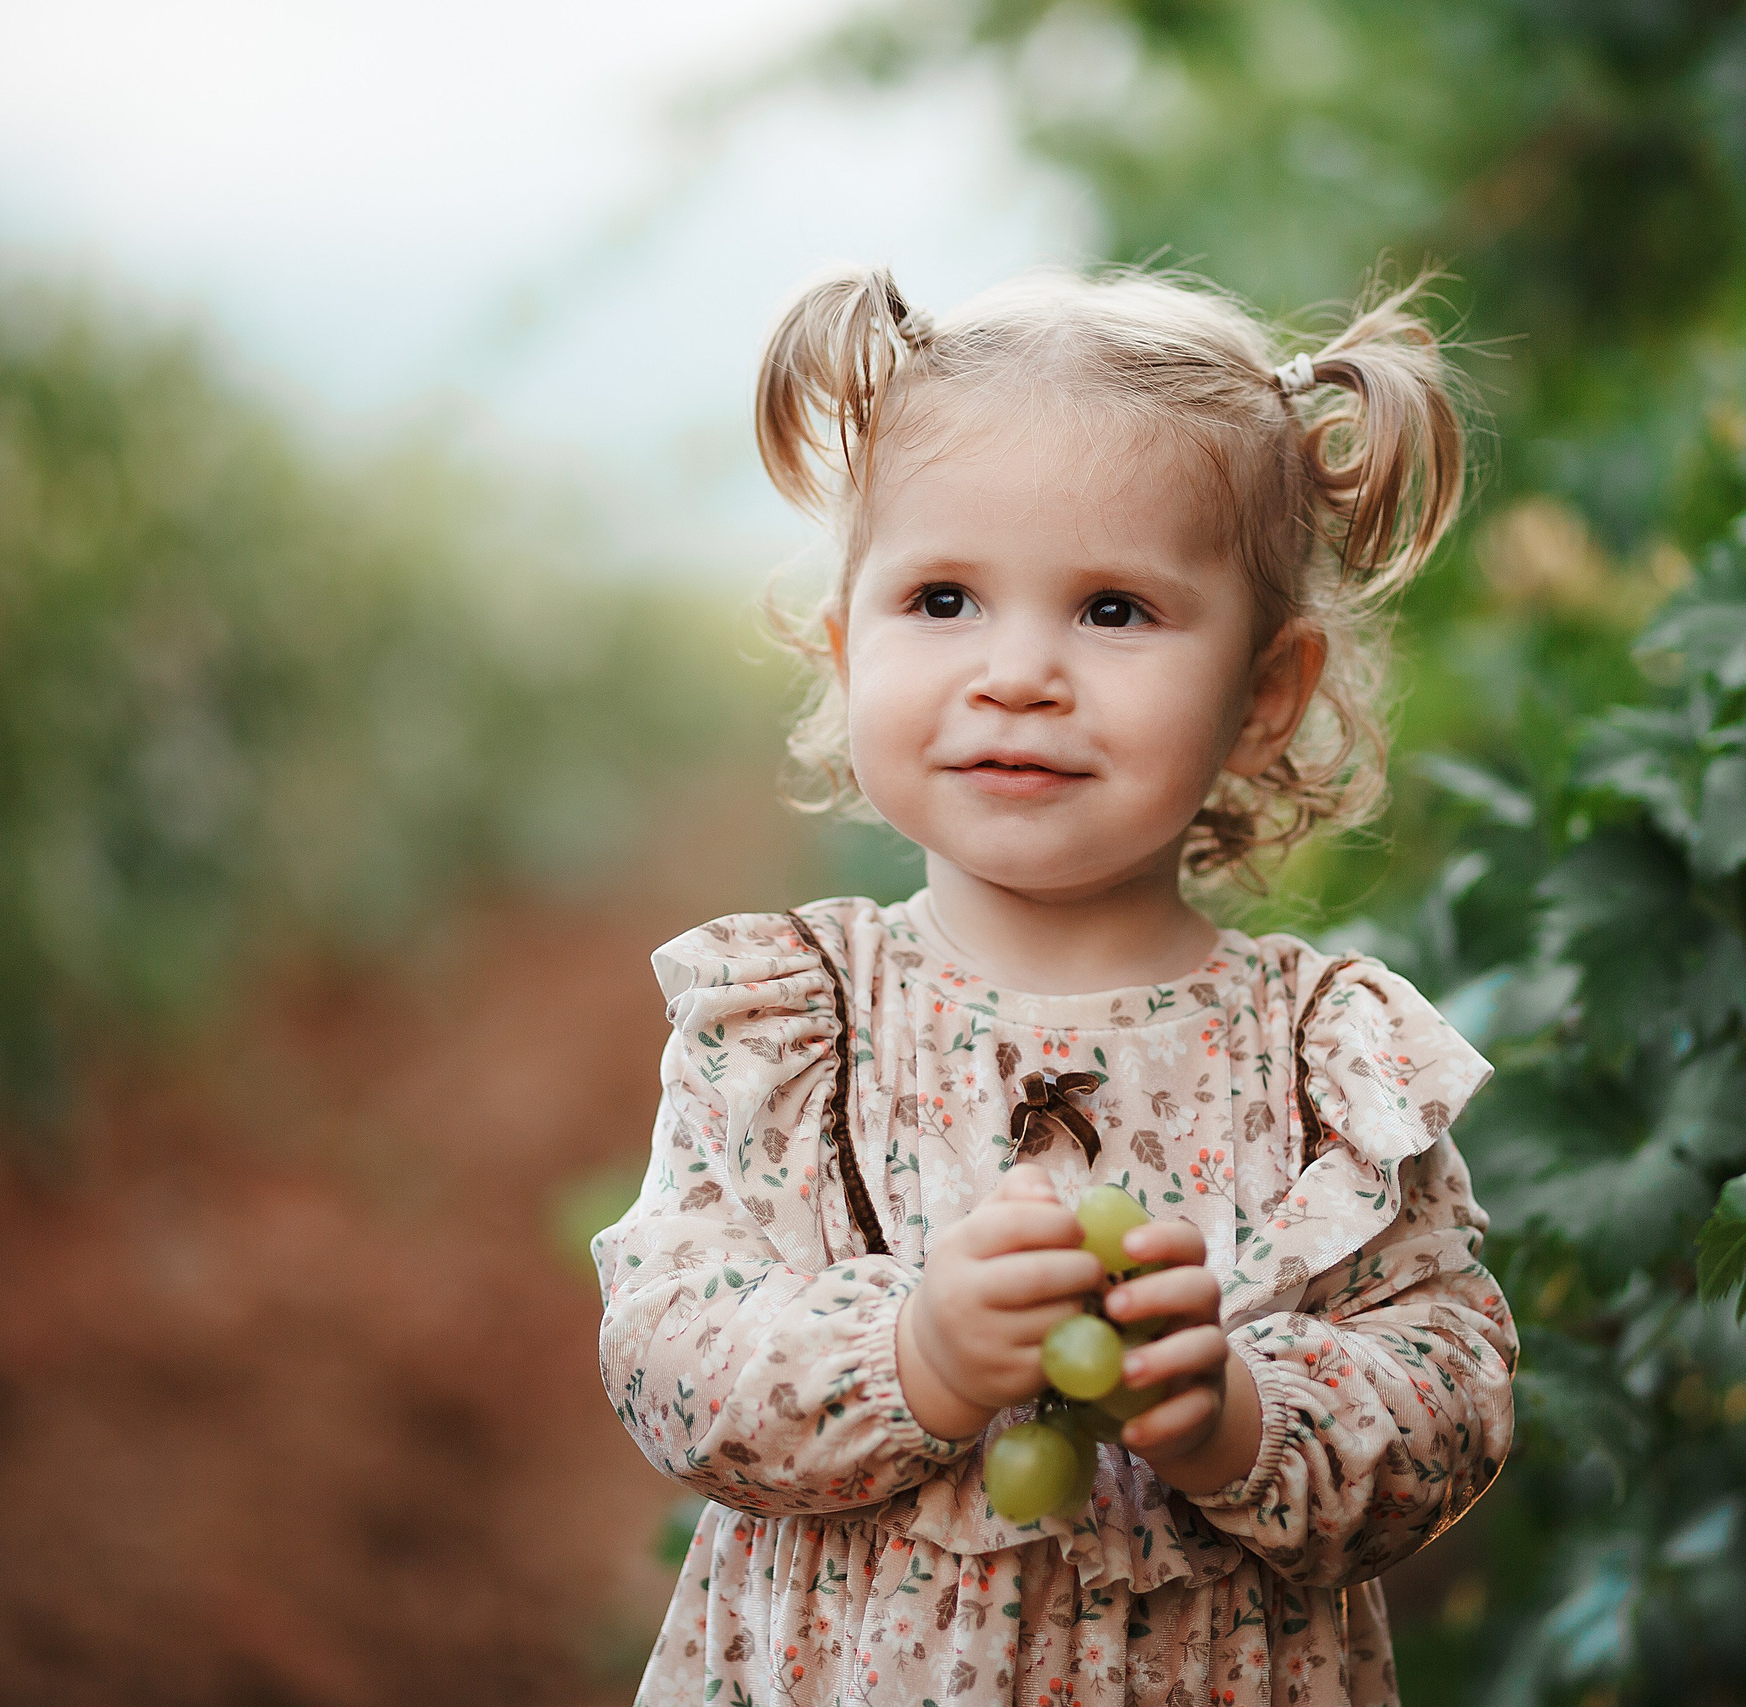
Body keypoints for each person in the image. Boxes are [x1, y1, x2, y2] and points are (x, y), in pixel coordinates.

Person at [591, 261, 1516, 1707]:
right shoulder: (793, 1023)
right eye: (944, 597)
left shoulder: (1321, 1058)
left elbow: (1453, 1386)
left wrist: (1240, 1412)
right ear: (849, 643)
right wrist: (912, 1354)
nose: (1018, 671)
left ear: (1264, 692)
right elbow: (666, 1353)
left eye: (1114, 612)